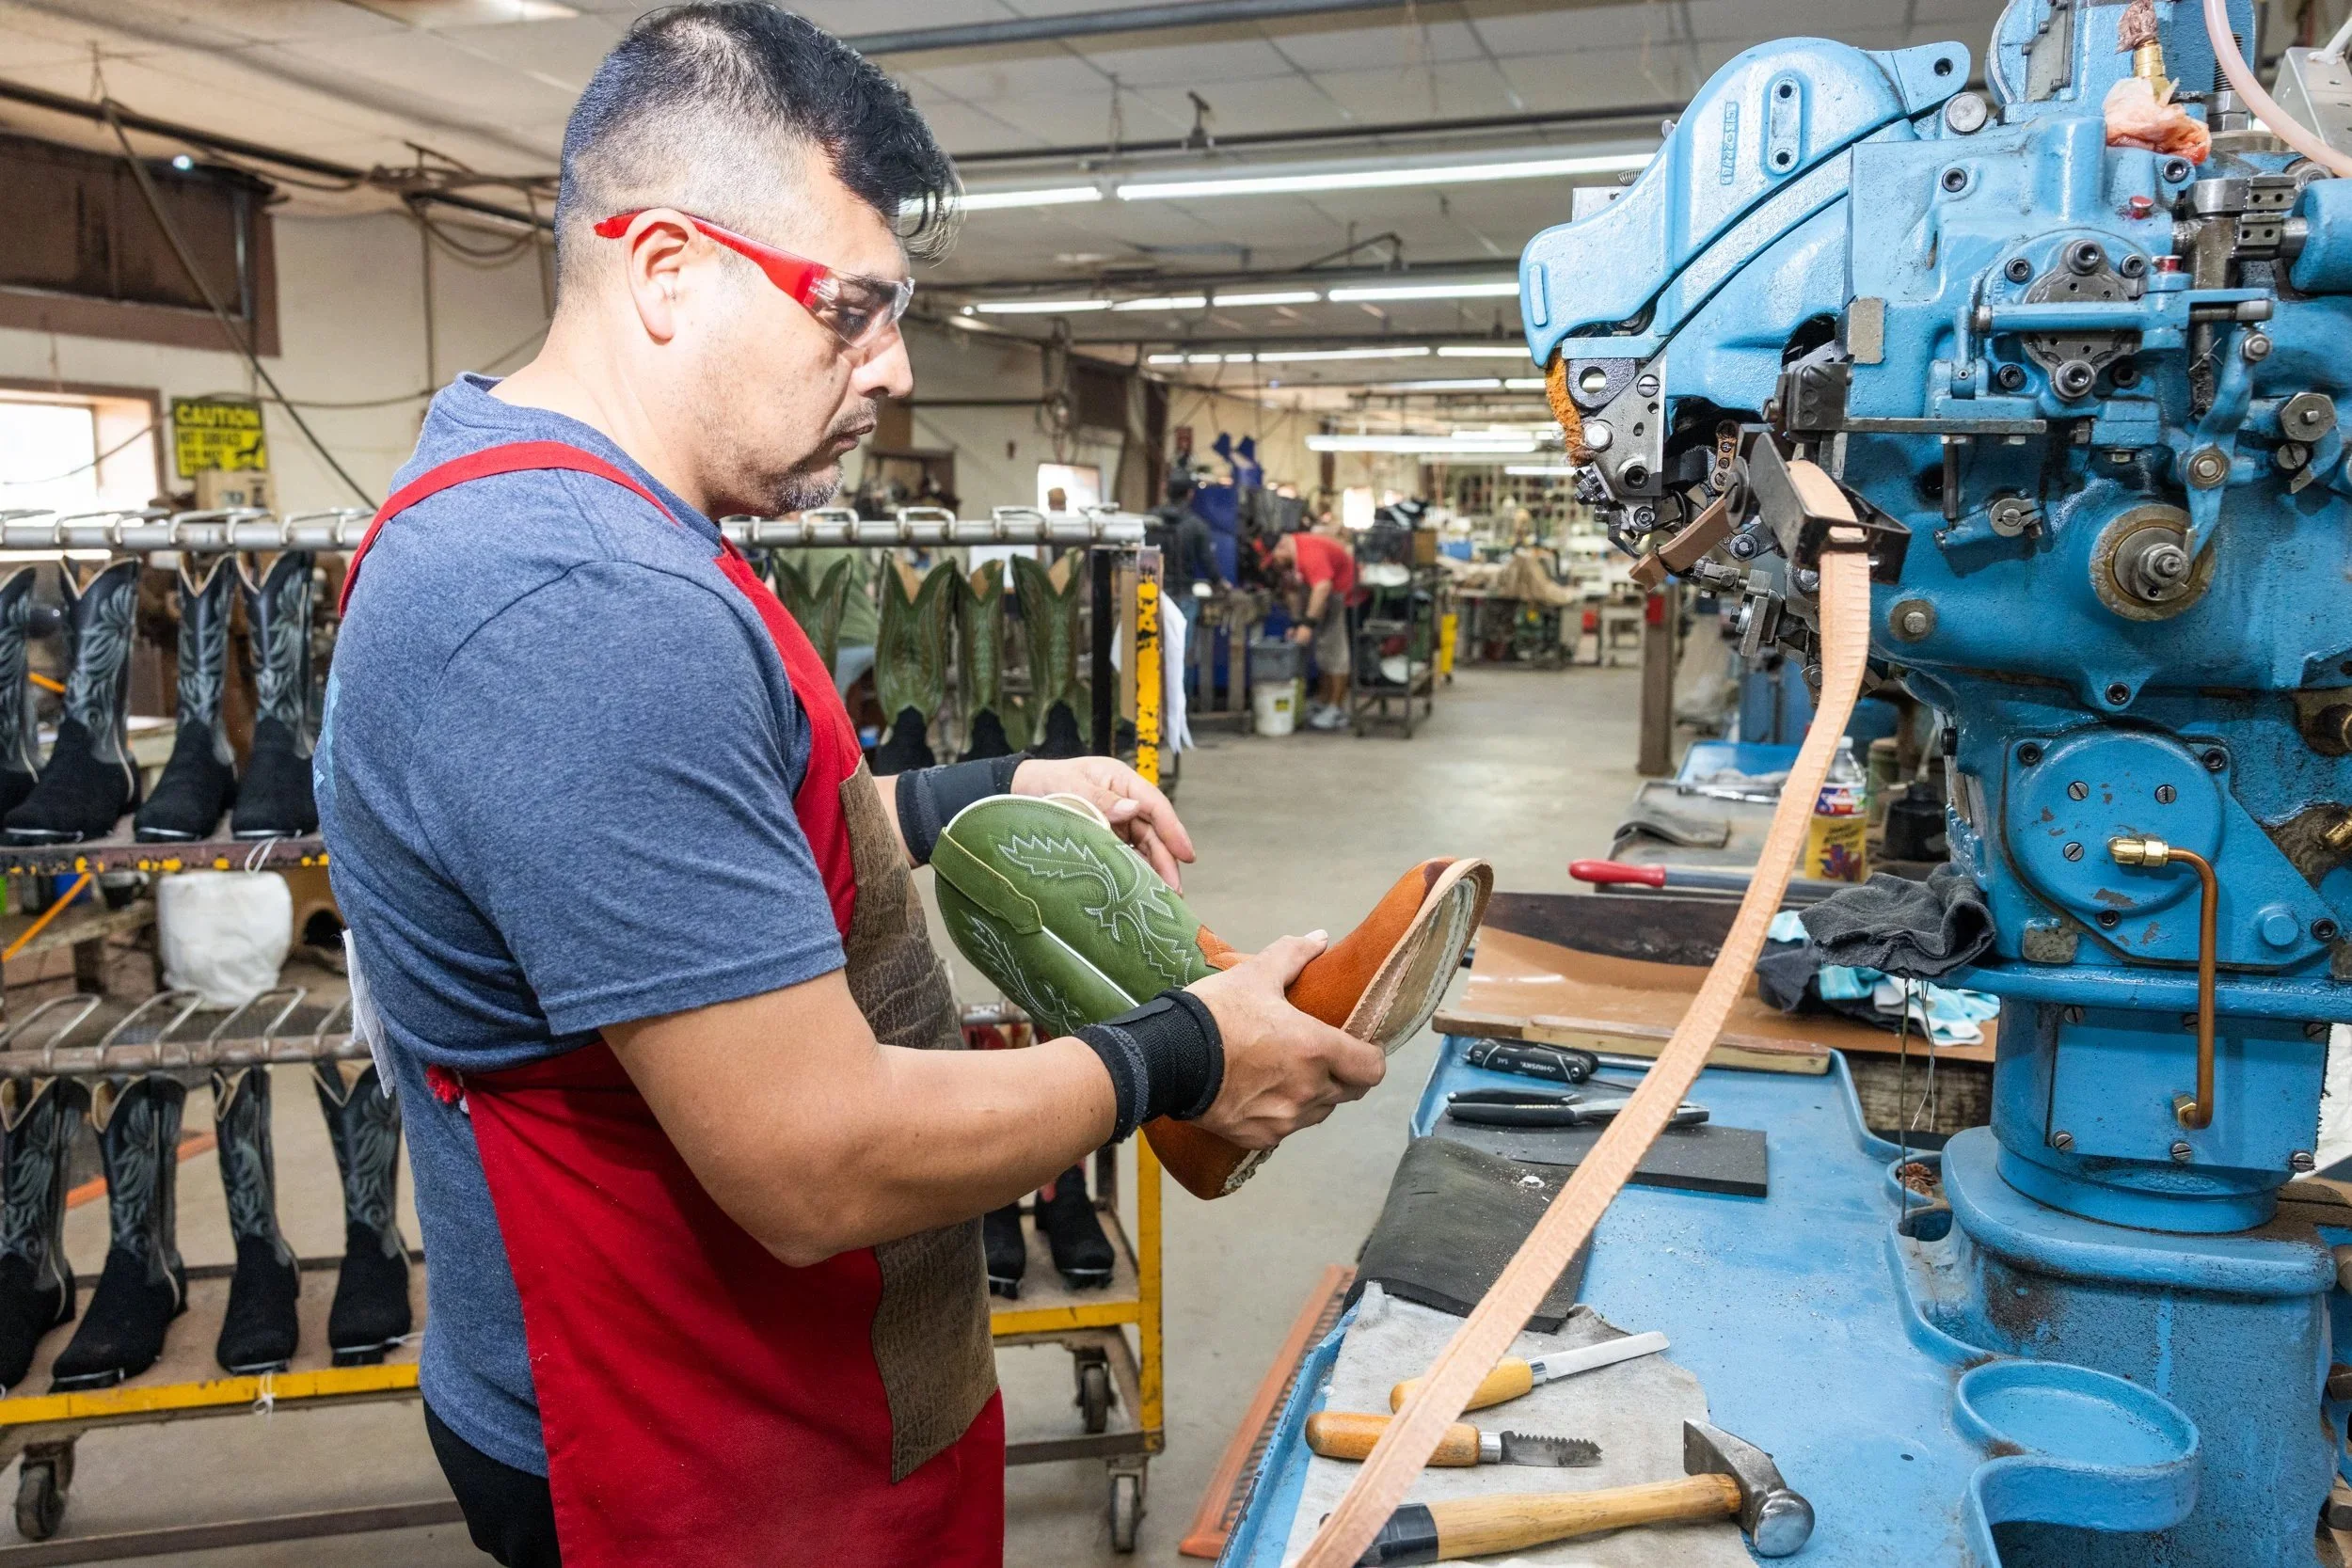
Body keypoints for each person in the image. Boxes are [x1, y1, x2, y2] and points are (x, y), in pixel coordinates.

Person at [315, 9, 1384, 1565]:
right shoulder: (576, 602)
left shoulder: (581, 519)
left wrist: (978, 791)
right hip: (692, 1447)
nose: (891, 366)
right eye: (853, 309)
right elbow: (812, 1156)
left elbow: (698, 870)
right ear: (668, 269)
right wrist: (1178, 1058)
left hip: (789, 1400)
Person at [1274, 529, 1359, 731]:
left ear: (1282, 547)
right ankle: (1324, 700)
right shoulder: (1292, 556)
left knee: (1335, 651)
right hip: (1326, 594)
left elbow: (1323, 587)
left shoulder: (1309, 554)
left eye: (1274, 559)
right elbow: (1292, 590)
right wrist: (1297, 624)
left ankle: (1336, 708)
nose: (1275, 565)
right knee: (1322, 650)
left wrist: (1308, 624)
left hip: (1342, 594)